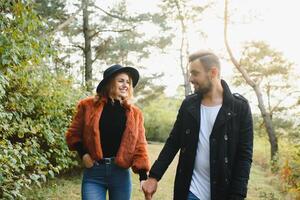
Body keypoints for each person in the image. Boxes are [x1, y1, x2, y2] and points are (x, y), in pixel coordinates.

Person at [142, 51, 253, 200]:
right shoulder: (189, 105)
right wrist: (154, 176)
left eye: (195, 73)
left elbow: (244, 156)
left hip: (223, 193)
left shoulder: (240, 107)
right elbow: (173, 142)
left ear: (213, 72)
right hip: (190, 191)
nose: (191, 79)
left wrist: (237, 195)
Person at [65, 64, 150, 200]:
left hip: (120, 175)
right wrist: (84, 154)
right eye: (121, 81)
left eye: (128, 82)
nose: (125, 85)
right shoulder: (87, 106)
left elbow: (140, 146)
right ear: (109, 83)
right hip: (94, 173)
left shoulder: (135, 114)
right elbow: (73, 134)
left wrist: (143, 176)